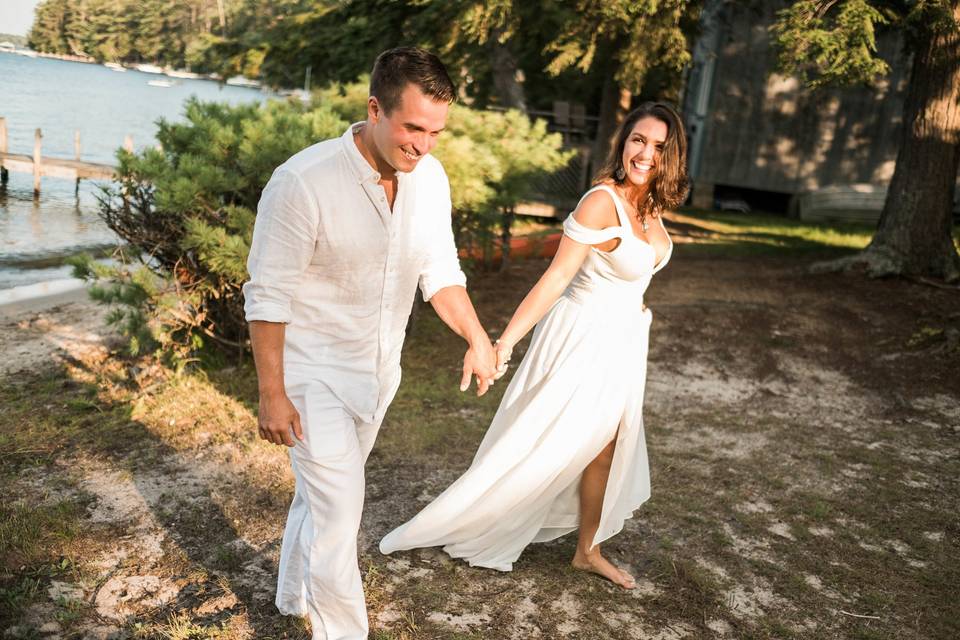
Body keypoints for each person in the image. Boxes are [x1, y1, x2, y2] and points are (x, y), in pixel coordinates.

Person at [243, 47, 499, 640]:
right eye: (413, 128)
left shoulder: (429, 178)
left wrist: (476, 335)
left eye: (436, 131)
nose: (424, 145)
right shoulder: (302, 182)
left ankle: (290, 595)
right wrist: (271, 392)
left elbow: (440, 270)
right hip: (312, 377)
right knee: (340, 514)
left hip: (379, 374)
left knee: (323, 496)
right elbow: (268, 297)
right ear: (374, 109)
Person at [380, 101, 689, 589]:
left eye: (657, 146)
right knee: (546, 444)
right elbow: (555, 279)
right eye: (638, 140)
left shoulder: (649, 206)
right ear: (623, 141)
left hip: (624, 343)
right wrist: (503, 343)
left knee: (607, 446)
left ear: (671, 156)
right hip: (582, 338)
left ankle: (588, 550)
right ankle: (480, 517)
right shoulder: (601, 201)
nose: (645, 153)